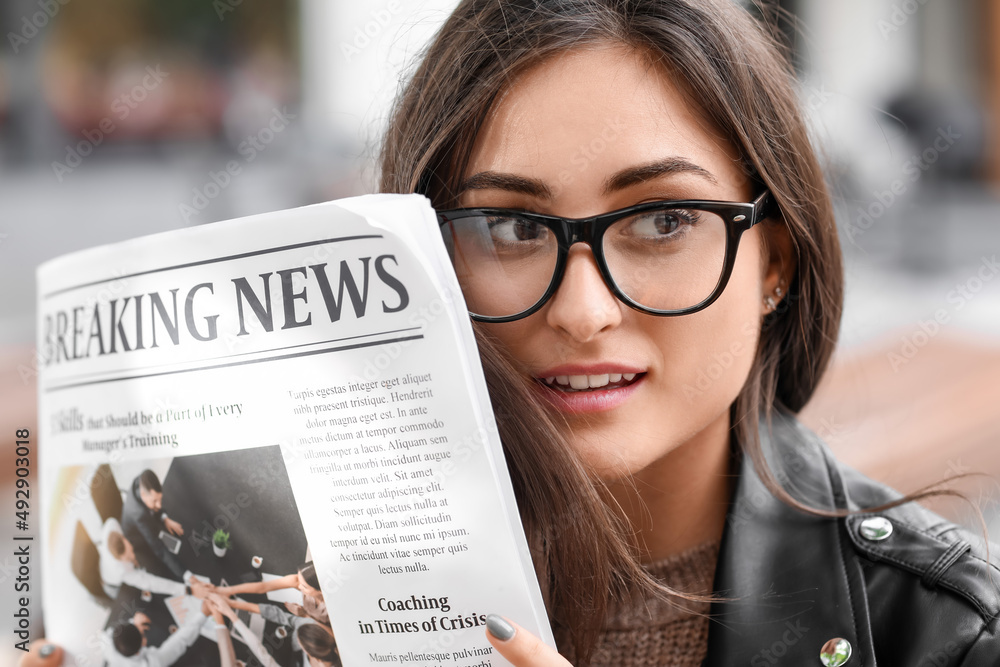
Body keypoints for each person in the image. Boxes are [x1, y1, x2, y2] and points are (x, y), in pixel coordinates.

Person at [378, 0, 1000, 665]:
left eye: (664, 221)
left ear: (776, 261)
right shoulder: (326, 597)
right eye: (514, 229)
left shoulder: (946, 635)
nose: (583, 311)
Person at [98, 517, 188, 599]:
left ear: (122, 537)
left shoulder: (112, 524)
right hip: (112, 586)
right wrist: (184, 589)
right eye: (129, 557)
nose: (133, 556)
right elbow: (150, 583)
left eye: (131, 551)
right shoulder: (120, 571)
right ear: (120, 559)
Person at [121, 469, 186, 581]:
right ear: (143, 494)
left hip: (144, 520)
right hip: (137, 541)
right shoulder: (139, 514)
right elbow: (159, 549)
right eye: (155, 501)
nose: (159, 506)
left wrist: (164, 518)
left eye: (160, 499)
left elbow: (155, 507)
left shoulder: (143, 480)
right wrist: (185, 574)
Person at [215, 561, 328, 625]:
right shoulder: (299, 580)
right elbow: (263, 587)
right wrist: (227, 590)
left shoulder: (330, 611)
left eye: (304, 587)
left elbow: (332, 637)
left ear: (321, 591)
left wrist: (305, 615)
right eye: (299, 579)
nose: (298, 586)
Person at [102, 607, 206, 667]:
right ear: (139, 650)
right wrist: (203, 614)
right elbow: (179, 642)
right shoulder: (152, 663)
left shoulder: (108, 640)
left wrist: (133, 622)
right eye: (142, 635)